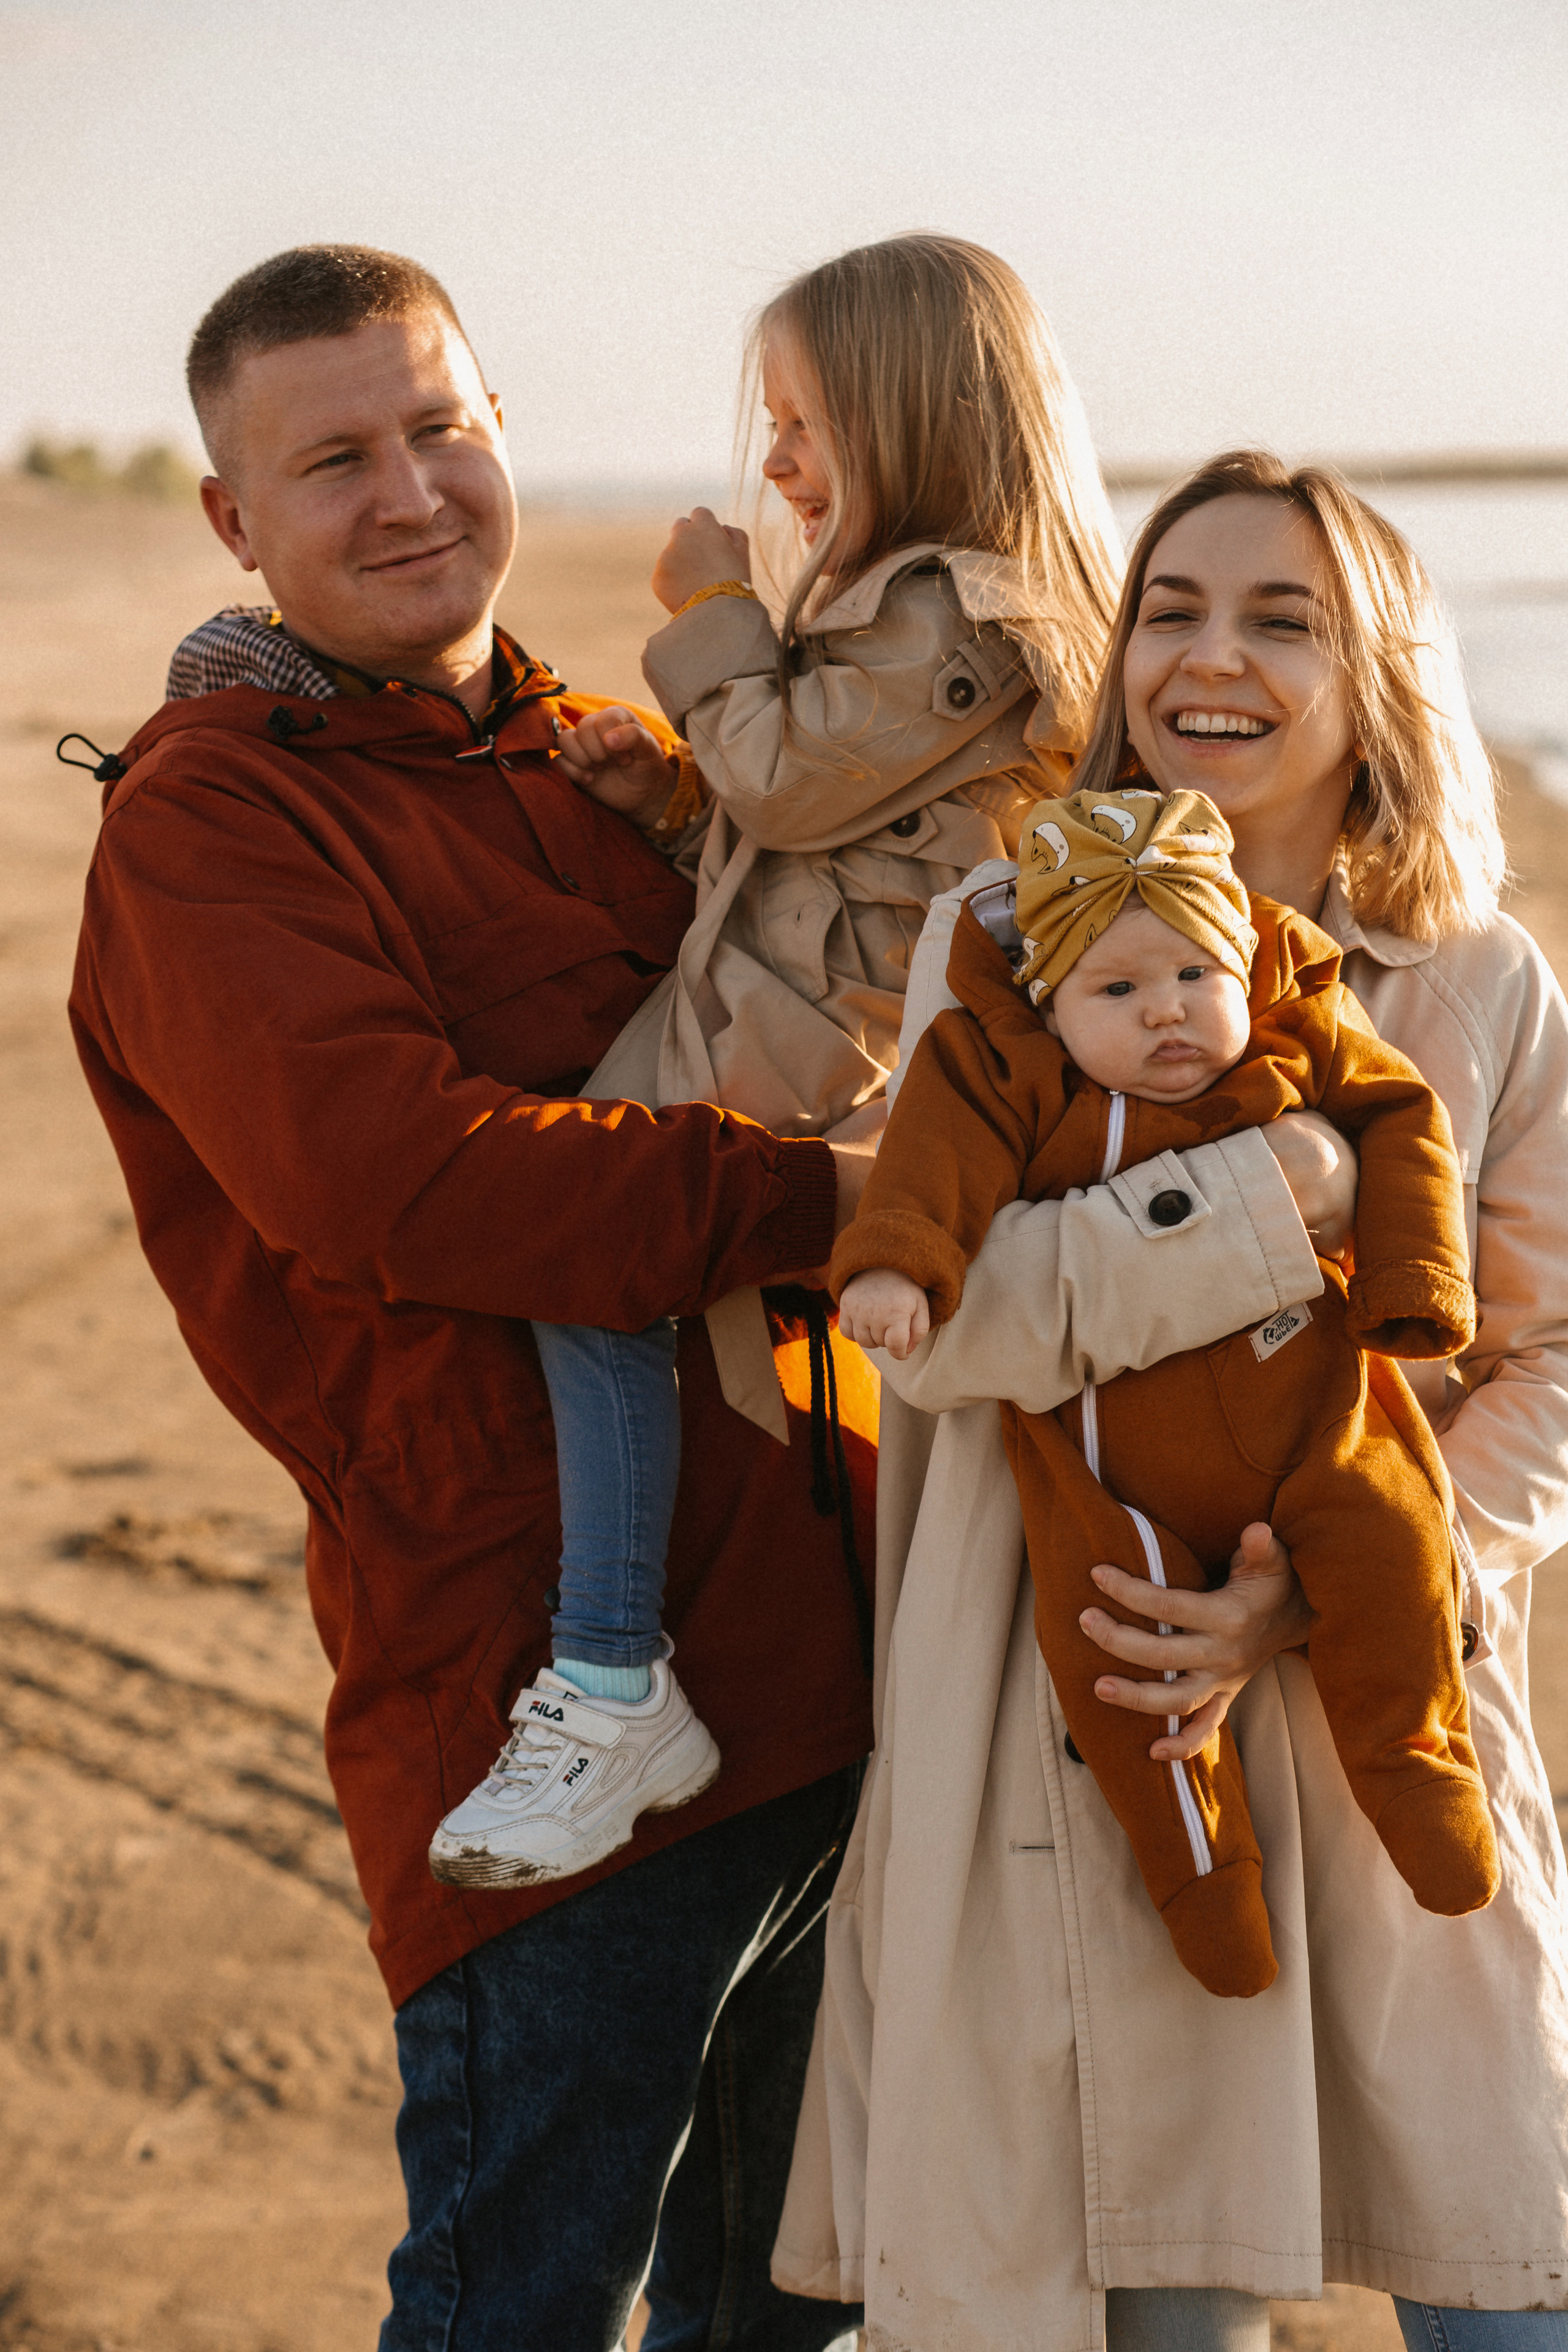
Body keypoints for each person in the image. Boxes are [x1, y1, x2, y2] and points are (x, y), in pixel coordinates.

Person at [69, 240, 891, 2352]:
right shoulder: (209, 824)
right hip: (541, 1712)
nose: (410, 490)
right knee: (515, 2310)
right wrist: (843, 1205)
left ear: (502, 425)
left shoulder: (595, 758)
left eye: (438, 426)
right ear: (235, 520)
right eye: (335, 459)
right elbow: (405, 1183)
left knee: (784, 2312)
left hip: (841, 1662)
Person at [774, 453, 1568, 2351]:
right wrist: (1281, 1198)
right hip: (1099, 1704)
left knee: (1508, 2275)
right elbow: (938, 1322)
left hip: (1391, 1704)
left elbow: (1551, 1359)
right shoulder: (1003, 933)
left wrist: (1344, 1573)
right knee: (1164, 2286)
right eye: (1173, 610)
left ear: (1377, 675)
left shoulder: (1477, 980)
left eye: (1283, 620)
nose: (1209, 659)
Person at [426, 233, 1126, 1892]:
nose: (782, 461)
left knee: (582, 1245)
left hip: (815, 1035)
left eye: (808, 424)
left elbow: (795, 785)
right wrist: (672, 801)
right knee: (600, 1266)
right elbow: (806, 830)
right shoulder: (906, 607)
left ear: (917, 417)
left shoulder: (970, 612)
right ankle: (653, 1666)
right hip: (780, 1002)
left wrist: (717, 612)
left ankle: (612, 1675)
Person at [831, 782, 1494, 1999]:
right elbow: (928, 1162)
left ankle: (1419, 1773)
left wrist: (1412, 1282)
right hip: (1109, 1471)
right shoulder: (1009, 1069)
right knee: (1115, 1663)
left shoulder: (1299, 1034)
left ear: (1241, 966)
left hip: (1314, 1421)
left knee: (1391, 1545)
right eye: (1117, 991)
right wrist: (893, 1264)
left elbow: (1403, 1117)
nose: (1168, 1012)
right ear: (1050, 1003)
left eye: (1195, 975)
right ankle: (1200, 1881)